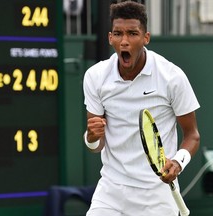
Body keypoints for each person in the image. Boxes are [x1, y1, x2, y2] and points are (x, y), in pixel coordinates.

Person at [82, 1, 200, 216]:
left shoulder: (171, 77)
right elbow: (96, 145)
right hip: (111, 190)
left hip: (156, 193)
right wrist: (90, 137)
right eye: (118, 33)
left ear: (146, 38)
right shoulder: (95, 76)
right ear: (110, 38)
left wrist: (178, 163)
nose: (124, 41)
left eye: (132, 33)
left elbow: (192, 135)